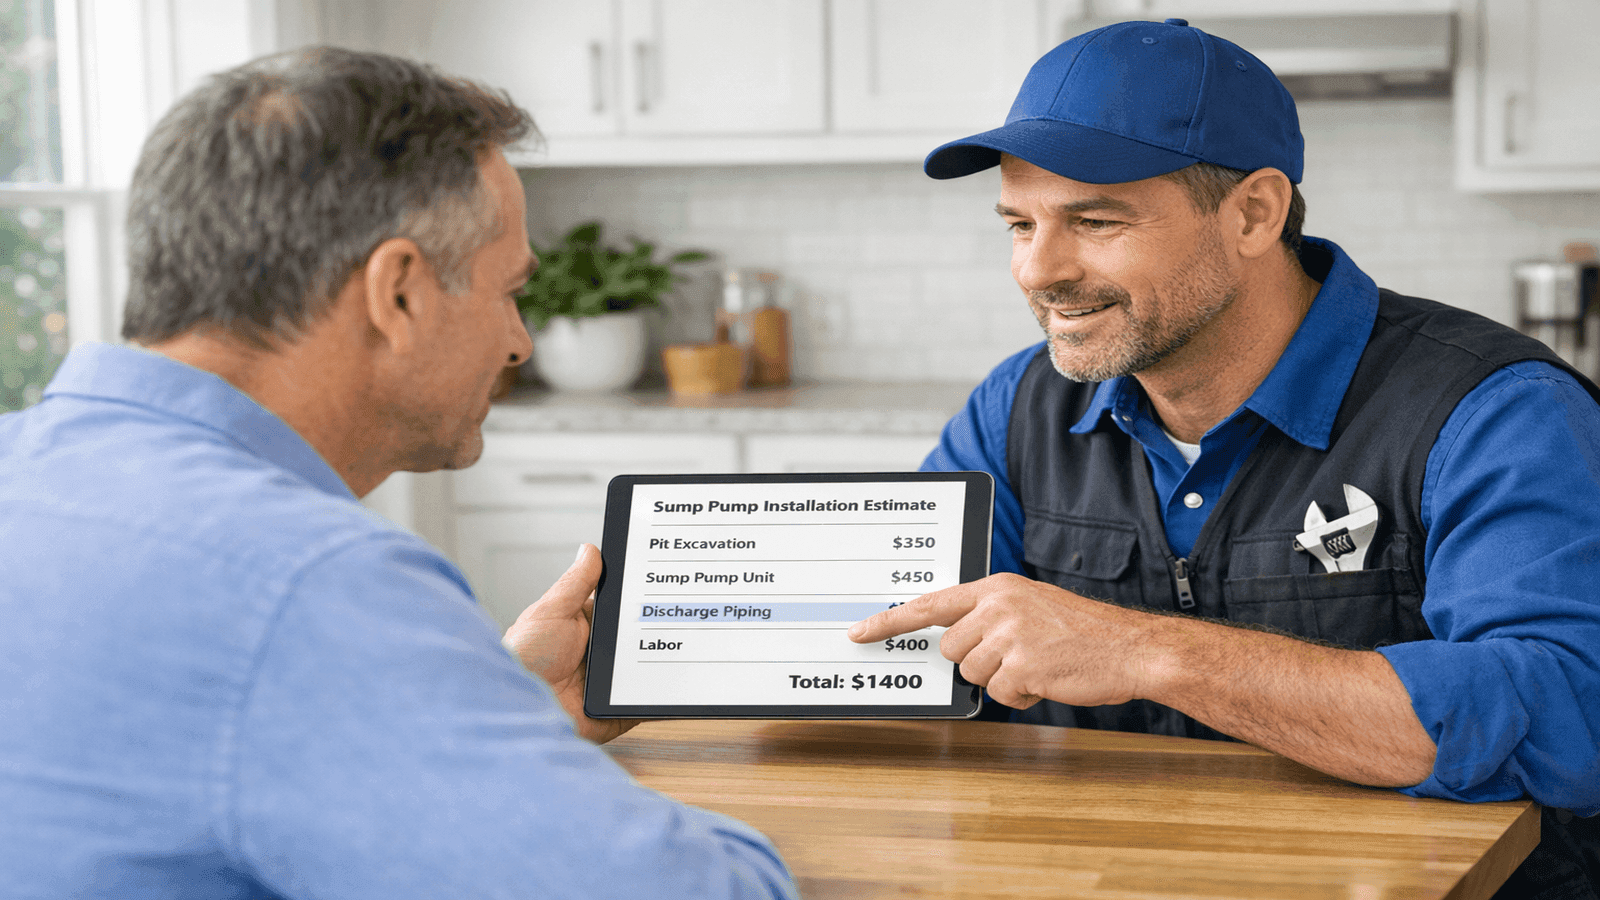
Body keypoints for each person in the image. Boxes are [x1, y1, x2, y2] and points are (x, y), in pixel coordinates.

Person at [0, 46, 796, 899]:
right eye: (506, 292)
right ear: (401, 293)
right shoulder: (313, 585)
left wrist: (489, 712)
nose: (519, 341)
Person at [849, 18, 1600, 897]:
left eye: (1094, 219)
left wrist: (1147, 653)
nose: (1036, 269)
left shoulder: (1493, 410)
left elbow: (1570, 714)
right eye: (1019, 223)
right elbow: (896, 636)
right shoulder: (1017, 409)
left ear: (1254, 213)